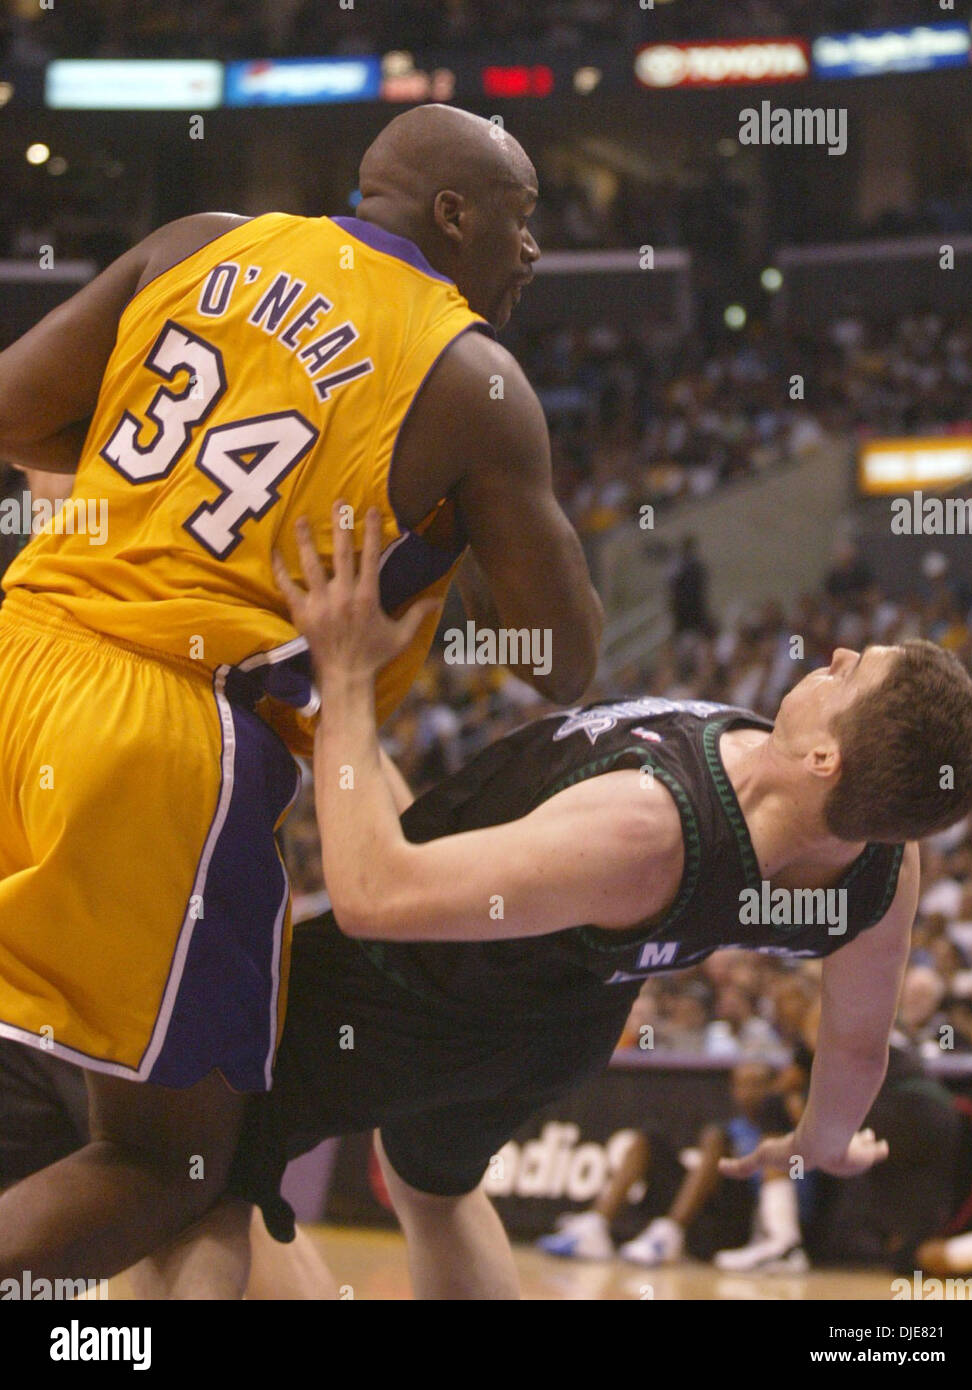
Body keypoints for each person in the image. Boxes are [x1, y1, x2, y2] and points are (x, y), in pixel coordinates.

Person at [0, 104, 603, 1286]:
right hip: (167, 729)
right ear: (452, 213)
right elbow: (559, 656)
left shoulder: (199, 241)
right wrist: (462, 526)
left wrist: (164, 473)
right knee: (172, 1169)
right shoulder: (471, 378)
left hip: (22, 649)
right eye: (523, 218)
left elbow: (15, 410)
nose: (533, 248)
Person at [118, 508, 972, 1298]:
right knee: (433, 1190)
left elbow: (375, 895)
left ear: (824, 762)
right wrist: (822, 1139)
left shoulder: (648, 830)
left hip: (417, 993)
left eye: (852, 675)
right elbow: (853, 1041)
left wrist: (345, 682)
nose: (836, 655)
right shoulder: (883, 858)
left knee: (191, 1170)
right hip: (553, 1029)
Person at [535, 1061, 807, 1272]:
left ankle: (670, 1234)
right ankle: (596, 1226)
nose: (748, 1092)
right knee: (649, 1139)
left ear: (773, 1088)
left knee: (715, 1138)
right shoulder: (732, 1129)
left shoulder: (784, 1126)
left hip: (745, 1224)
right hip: (709, 1217)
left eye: (757, 1083)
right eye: (742, 1084)